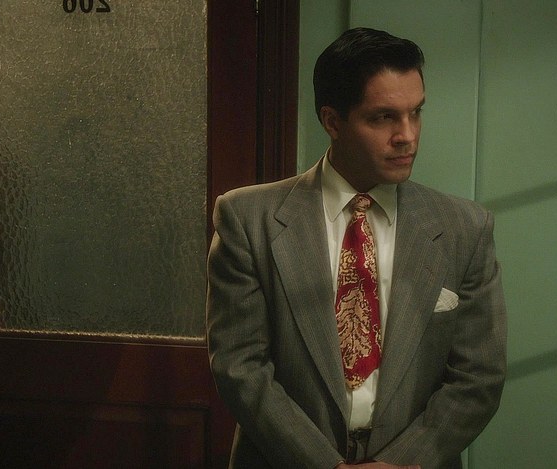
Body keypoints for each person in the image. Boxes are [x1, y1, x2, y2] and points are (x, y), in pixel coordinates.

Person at [206, 27, 506, 468]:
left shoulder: (465, 228)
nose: (407, 135)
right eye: (384, 117)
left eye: (416, 113)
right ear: (332, 122)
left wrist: (402, 462)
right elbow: (240, 367)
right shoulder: (249, 219)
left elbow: (478, 377)